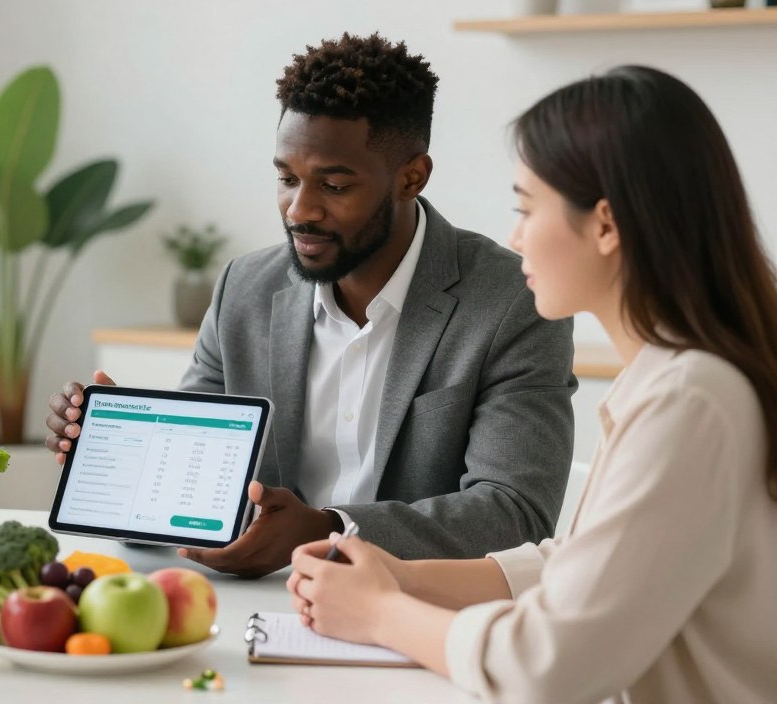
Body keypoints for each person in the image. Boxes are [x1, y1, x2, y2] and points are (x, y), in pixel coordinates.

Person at [286, 66, 777, 703]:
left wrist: (381, 613)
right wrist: (402, 576)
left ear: (605, 225)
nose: (515, 238)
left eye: (526, 208)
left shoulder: (692, 401)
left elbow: (547, 667)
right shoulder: (676, 378)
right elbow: (577, 569)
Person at [45, 33, 577, 577]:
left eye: (335, 185)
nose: (300, 210)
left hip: (411, 613)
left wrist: (331, 529)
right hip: (252, 598)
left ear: (411, 177)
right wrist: (125, 442)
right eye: (286, 178)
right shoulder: (244, 288)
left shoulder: (511, 300)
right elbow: (201, 476)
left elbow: (517, 512)